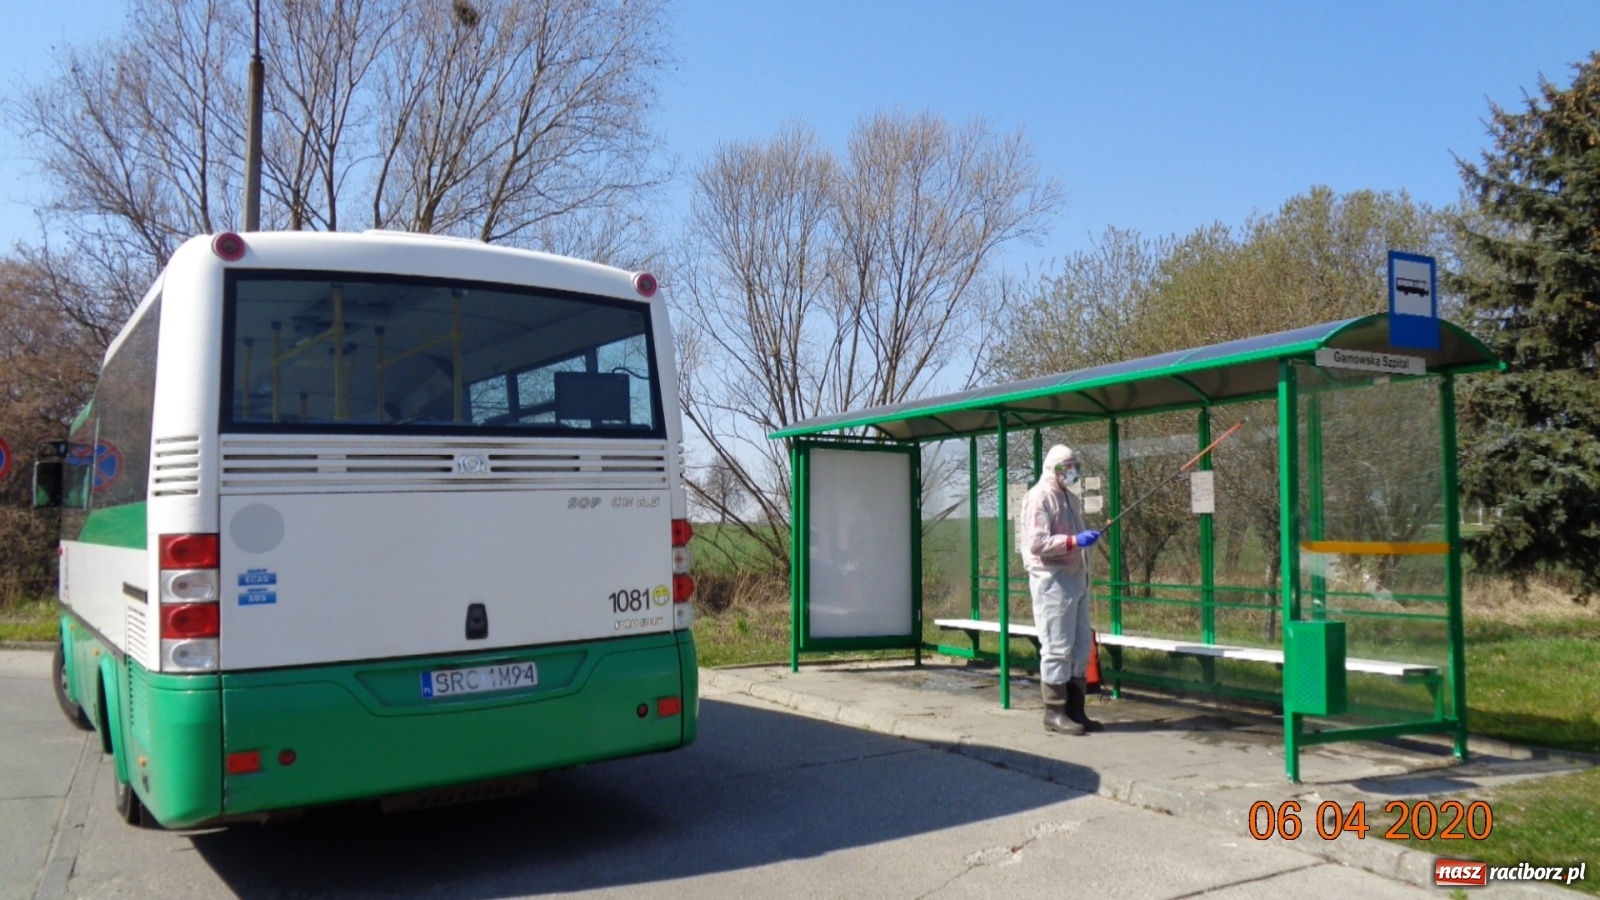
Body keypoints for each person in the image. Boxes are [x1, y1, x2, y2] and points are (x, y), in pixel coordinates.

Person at [1019, 444, 1103, 736]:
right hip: (1052, 580)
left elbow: (1074, 534)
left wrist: (1084, 540)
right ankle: (1054, 712)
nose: (1072, 473)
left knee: (1080, 646)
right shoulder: (1038, 497)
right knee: (1056, 647)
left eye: (1074, 467)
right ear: (1054, 469)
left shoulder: (1070, 497)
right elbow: (1037, 542)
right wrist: (1073, 542)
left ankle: (1076, 709)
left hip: (1077, 578)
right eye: (1067, 468)